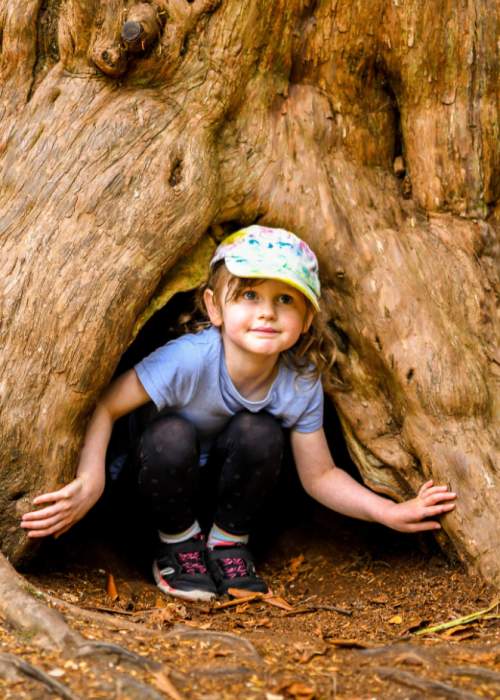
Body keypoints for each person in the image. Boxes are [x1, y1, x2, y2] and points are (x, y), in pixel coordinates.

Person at [21, 226, 457, 601]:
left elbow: (320, 475)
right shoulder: (188, 360)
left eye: (286, 299)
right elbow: (106, 403)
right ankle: (177, 545)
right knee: (171, 433)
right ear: (215, 307)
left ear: (307, 318)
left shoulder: (299, 380)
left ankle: (229, 544)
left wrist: (387, 512)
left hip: (223, 491)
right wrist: (90, 480)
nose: (267, 311)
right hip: (154, 481)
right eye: (249, 294)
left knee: (261, 432)